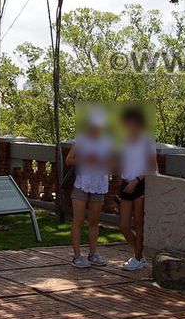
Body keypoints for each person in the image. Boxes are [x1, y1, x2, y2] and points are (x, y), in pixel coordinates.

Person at [65, 106, 113, 268]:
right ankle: (77, 256)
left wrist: (104, 163)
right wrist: (85, 160)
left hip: (99, 183)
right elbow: (69, 159)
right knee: (78, 219)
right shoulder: (82, 139)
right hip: (82, 182)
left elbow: (110, 165)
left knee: (94, 221)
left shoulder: (107, 141)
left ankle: (93, 253)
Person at [117, 106, 156, 271]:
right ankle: (138, 255)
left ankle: (138, 257)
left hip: (141, 183)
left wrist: (137, 179)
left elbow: (152, 166)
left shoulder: (147, 140)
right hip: (126, 183)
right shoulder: (125, 140)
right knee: (124, 225)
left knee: (139, 223)